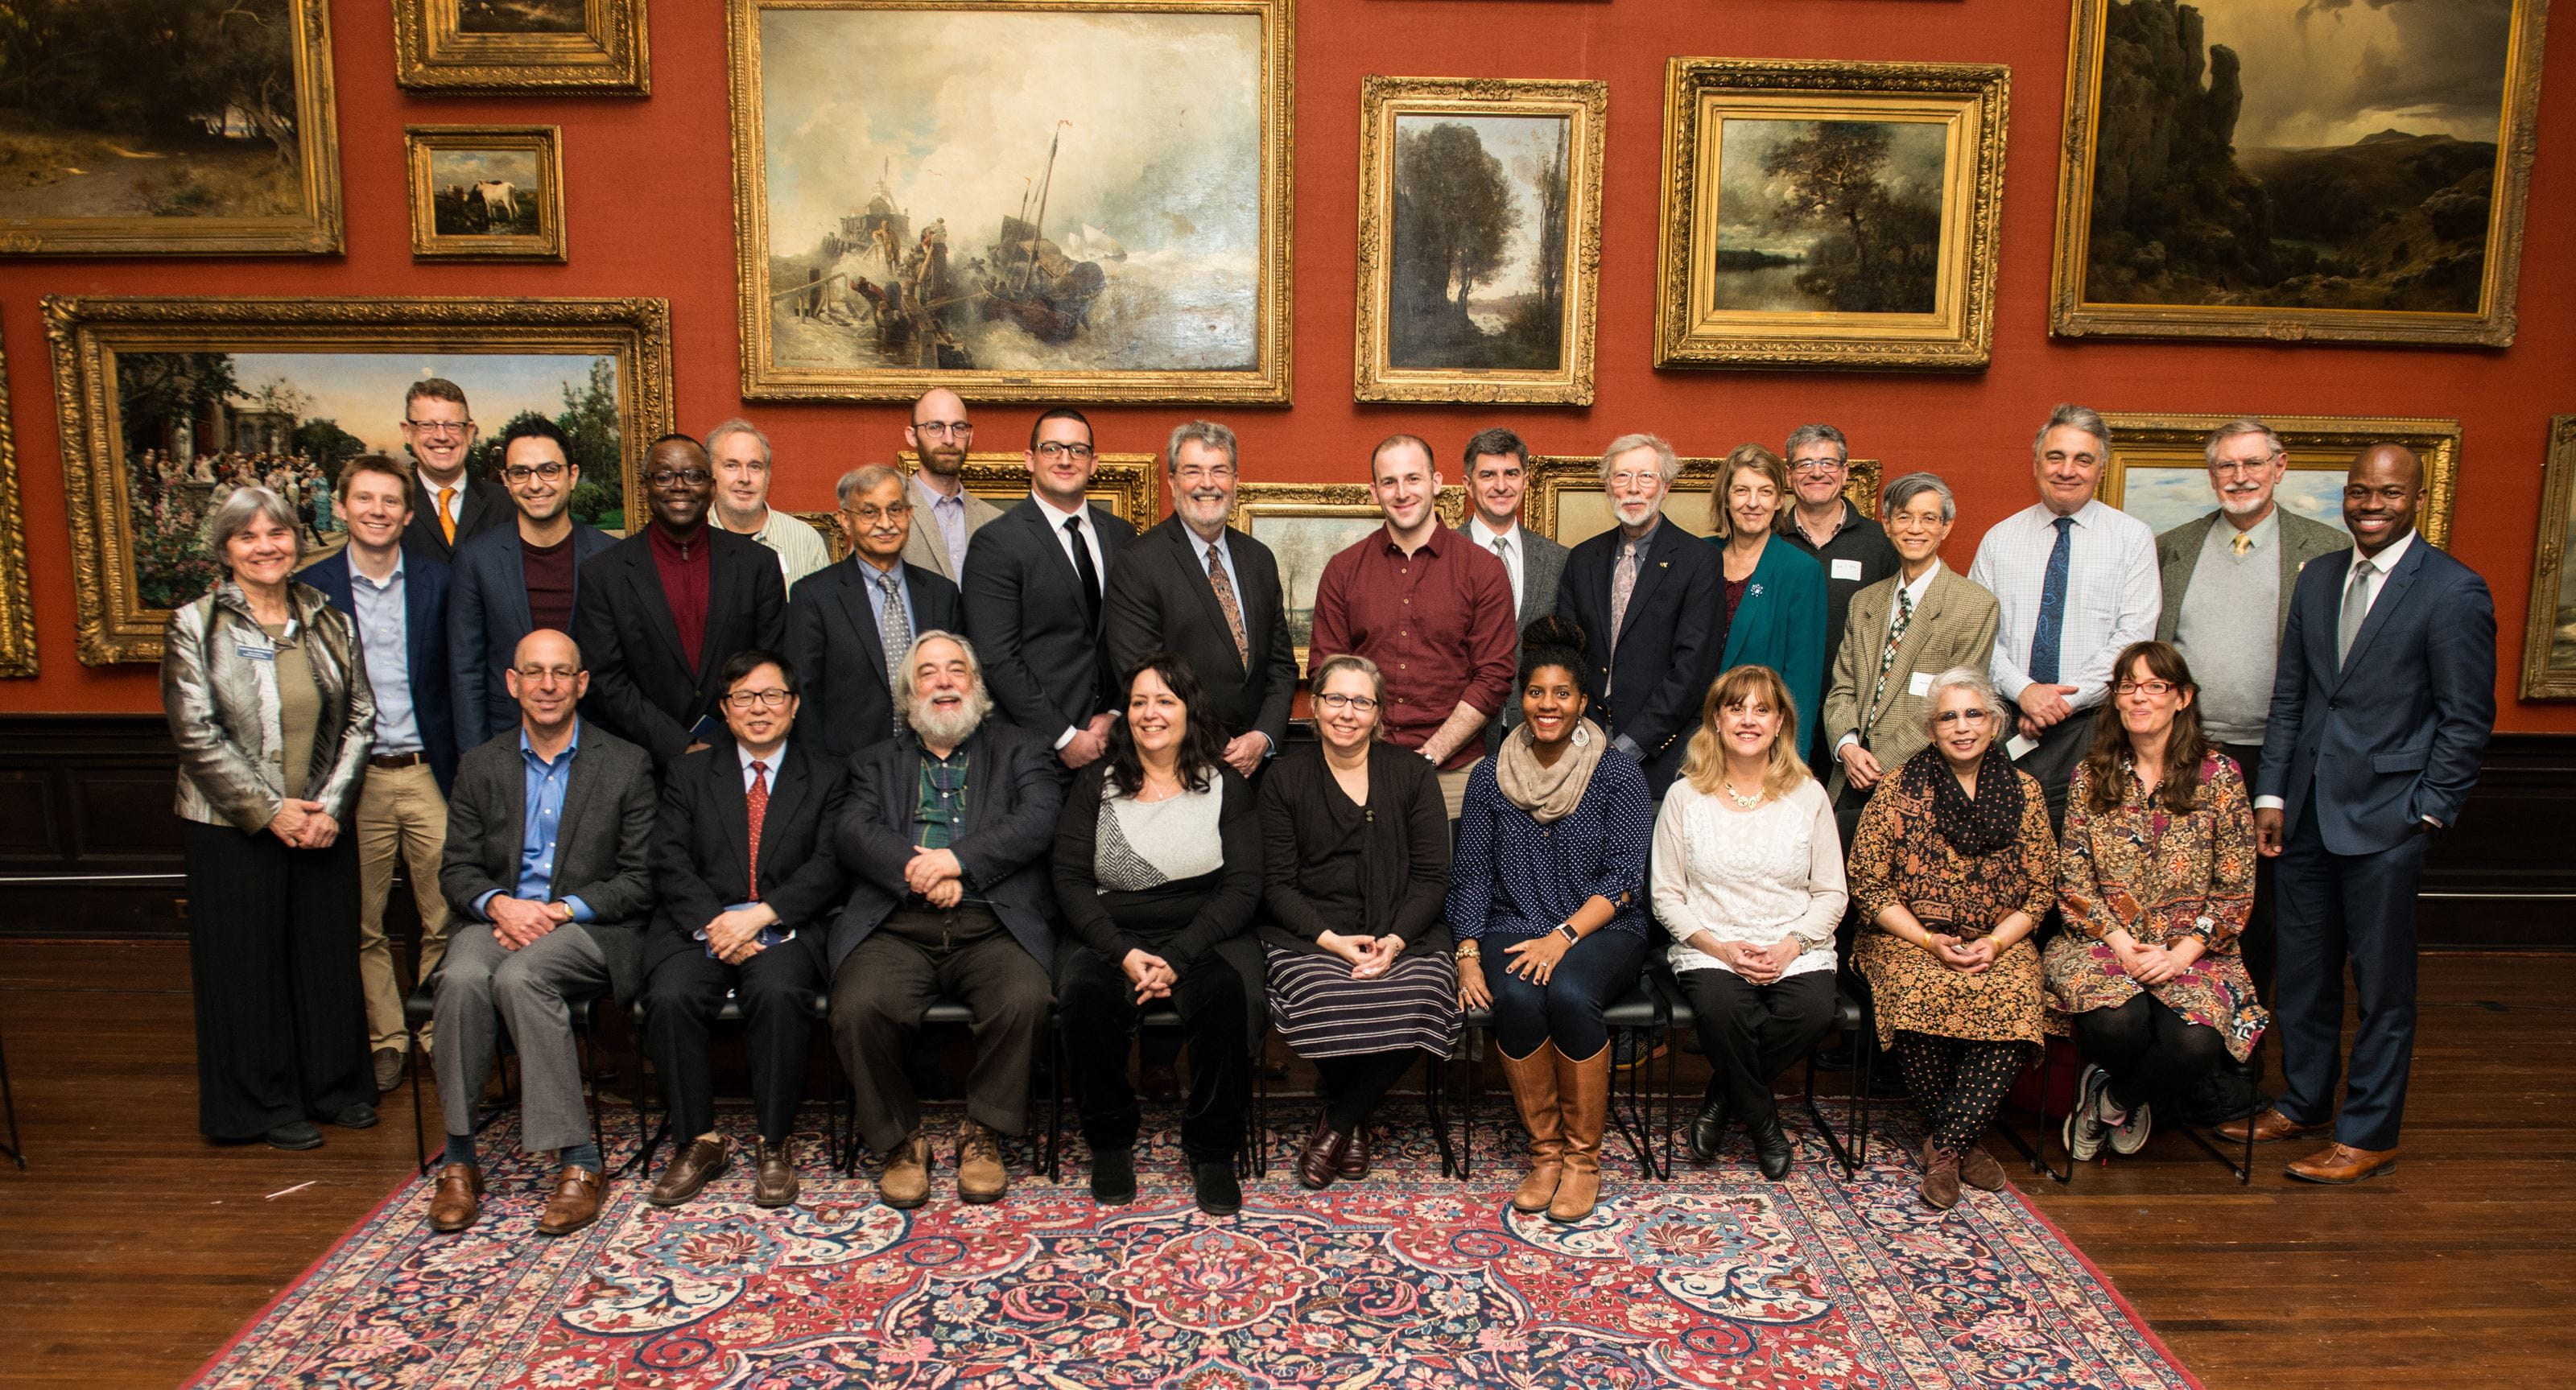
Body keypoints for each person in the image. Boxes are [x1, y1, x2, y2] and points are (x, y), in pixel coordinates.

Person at [2223, 443, 2496, 1185]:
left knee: (2382, 987)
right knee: (2303, 973)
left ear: (2418, 499)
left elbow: (2466, 719)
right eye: (2359, 492)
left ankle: (2369, 1133)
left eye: (2389, 493)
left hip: (2390, 819)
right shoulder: (2318, 577)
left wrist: (2428, 813)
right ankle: (2305, 1101)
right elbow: (2293, 695)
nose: (2371, 505)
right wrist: (2272, 796)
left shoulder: (2453, 590)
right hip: (2305, 814)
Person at [163, 487, 378, 1149]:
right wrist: (269, 809)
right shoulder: (196, 623)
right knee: (247, 966)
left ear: (296, 539)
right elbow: (196, 733)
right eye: (248, 536)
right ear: (226, 548)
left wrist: (329, 806)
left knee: (324, 958)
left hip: (321, 820)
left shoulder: (327, 617)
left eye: (277, 533)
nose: (266, 547)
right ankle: (261, 1103)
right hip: (231, 827)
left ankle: (334, 1088)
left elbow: (362, 717)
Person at [429, 629, 658, 1237]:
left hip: (590, 925)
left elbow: (639, 879)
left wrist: (556, 912)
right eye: (534, 671)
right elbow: (456, 869)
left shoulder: (626, 762)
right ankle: (459, 1159)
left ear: (582, 683)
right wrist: (501, 904)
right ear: (514, 683)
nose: (548, 685)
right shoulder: (481, 764)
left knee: (523, 976)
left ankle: (579, 1161)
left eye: (561, 672)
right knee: (460, 975)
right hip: (499, 918)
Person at [829, 633, 1061, 1209]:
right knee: (858, 1007)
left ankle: (983, 1131)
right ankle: (900, 1141)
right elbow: (854, 831)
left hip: (992, 922)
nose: (943, 682)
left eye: (956, 669)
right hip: (897, 925)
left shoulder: (1023, 749)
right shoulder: (872, 762)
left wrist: (958, 861)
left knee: (1025, 998)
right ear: (909, 693)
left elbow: (1038, 818)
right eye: (928, 672)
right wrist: (921, 870)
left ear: (977, 684)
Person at [1448, 616, 1653, 1223]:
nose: (1548, 704)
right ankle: (1546, 1154)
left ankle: (1583, 1160)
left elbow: (1624, 878)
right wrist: (1466, 955)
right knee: (1516, 993)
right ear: (1521, 699)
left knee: (1568, 991)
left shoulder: (1617, 772)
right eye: (1536, 692)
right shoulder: (1489, 776)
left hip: (1602, 926)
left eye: (1562, 693)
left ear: (1583, 702)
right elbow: (1472, 874)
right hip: (1513, 919)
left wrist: (1562, 937)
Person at [2153, 419, 2349, 1029]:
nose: (2240, 477)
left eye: (2253, 463)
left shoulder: (2326, 550)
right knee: (2180, 892)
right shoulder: (2173, 547)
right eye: (2226, 466)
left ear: (2279, 467)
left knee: (2259, 904)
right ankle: (2183, 1028)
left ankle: (2243, 1036)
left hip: (2278, 753)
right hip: (2187, 748)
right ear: (2211, 474)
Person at [1054, 655, 1264, 1215]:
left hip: (1203, 932)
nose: (1151, 713)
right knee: (1085, 997)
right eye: (1140, 701)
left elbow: (1244, 887)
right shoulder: (1094, 783)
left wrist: (1178, 955)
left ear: (1189, 710)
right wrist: (1122, 952)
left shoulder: (1225, 785)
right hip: (1110, 931)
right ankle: (1110, 1142)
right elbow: (1070, 879)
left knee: (1230, 996)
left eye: (1165, 701)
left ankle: (1213, 1151)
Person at [638, 650, 848, 1209]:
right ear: (726, 710)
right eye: (744, 697)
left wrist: (760, 915)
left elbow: (830, 864)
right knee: (670, 996)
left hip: (785, 923)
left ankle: (773, 1143)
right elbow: (668, 859)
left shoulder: (827, 774)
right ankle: (698, 1141)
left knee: (778, 993)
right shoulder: (689, 773)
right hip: (702, 923)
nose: (759, 708)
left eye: (772, 695)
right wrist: (717, 925)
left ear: (794, 705)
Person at [2047, 641, 2269, 1163]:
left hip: (2194, 948)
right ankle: (2129, 1089)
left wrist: (2179, 955)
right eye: (2128, 686)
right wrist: (2124, 945)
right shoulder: (2090, 775)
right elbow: (2074, 880)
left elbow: (2235, 888)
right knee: (2116, 1025)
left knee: (2195, 1044)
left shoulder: (2220, 776)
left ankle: (2112, 1100)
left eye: (2155, 686)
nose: (2139, 697)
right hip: (2102, 942)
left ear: (2182, 697)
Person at [1847, 667, 2054, 1211]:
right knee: (1916, 992)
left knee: (2017, 999)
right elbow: (1867, 883)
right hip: (1908, 937)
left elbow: (2041, 890)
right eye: (1948, 717)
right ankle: (1962, 1140)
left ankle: (1947, 1143)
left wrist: (1997, 943)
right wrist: (1926, 939)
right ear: (1931, 729)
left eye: (1973, 714)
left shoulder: (2026, 793)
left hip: (1998, 937)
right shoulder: (1897, 789)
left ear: (1995, 723)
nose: (1962, 727)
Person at [1260, 654, 1459, 1188]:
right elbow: (1277, 884)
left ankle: (1341, 1119)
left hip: (1403, 929)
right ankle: (1356, 1116)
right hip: (1313, 934)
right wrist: (1332, 942)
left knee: (1425, 991)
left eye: (1361, 702)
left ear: (1378, 713)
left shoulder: (1413, 774)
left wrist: (1395, 941)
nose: (1347, 713)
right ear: (1314, 705)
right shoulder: (1283, 778)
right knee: (1322, 993)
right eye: (1335, 699)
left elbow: (1432, 876)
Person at [299, 456, 459, 1093]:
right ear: (340, 507)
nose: (377, 511)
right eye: (364, 499)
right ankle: (386, 1038)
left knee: (444, 912)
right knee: (362, 921)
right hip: (352, 779)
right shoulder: (311, 590)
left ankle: (436, 1031)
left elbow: (457, 675)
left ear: (408, 513)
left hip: (427, 770)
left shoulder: (437, 581)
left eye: (390, 500)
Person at [1654, 666, 1845, 1179]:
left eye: (1762, 710)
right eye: (1736, 708)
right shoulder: (1683, 797)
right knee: (1722, 1012)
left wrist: (1791, 946)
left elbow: (1832, 892)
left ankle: (1722, 1099)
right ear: (1716, 720)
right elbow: (1666, 896)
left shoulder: (1808, 795)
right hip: (1712, 943)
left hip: (1793, 942)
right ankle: (1764, 1125)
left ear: (1780, 723)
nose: (1748, 720)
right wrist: (1719, 949)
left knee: (1811, 1013)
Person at [1968, 405, 2161, 828]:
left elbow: (2133, 636)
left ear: (2101, 469)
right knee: (2000, 847)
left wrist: (2061, 703)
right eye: (2055, 457)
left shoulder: (2132, 539)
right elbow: (1978, 635)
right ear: (2036, 463)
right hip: (2007, 724)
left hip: (2095, 729)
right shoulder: (1999, 539)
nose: (2067, 470)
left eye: (2082, 459)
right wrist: (2025, 691)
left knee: (2089, 849)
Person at [1309, 435, 1517, 818]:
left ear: (1436, 483)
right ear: (1375, 492)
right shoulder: (1344, 569)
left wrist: (1431, 754)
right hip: (1360, 766)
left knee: (1451, 860)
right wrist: (1365, 752)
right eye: (1389, 482)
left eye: (1413, 479)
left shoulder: (1483, 570)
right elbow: (1327, 672)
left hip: (1454, 772)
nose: (1402, 492)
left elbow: (1494, 676)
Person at [576, 434, 788, 769]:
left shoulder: (757, 565)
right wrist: (678, 745)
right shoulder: (603, 573)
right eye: (664, 476)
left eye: (693, 475)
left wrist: (720, 740)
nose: (679, 486)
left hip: (739, 754)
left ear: (712, 487)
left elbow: (770, 663)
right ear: (645, 488)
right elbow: (606, 680)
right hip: (642, 762)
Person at [1104, 420, 1299, 779]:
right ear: (1172, 482)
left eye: (1219, 471)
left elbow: (1281, 665)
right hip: (1180, 767)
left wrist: (1263, 736)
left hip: (1259, 767)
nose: (1207, 483)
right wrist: (1223, 747)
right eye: (1193, 471)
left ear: (1235, 482)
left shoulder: (1259, 559)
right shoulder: (1138, 563)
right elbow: (1145, 678)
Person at [960, 407, 1137, 771]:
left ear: (1093, 463)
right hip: (1035, 752)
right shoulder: (996, 543)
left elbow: (1132, 636)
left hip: (1115, 744)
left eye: (1078, 450)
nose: (1065, 459)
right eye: (1051, 448)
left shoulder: (1120, 535)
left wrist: (1117, 712)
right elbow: (996, 657)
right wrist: (1064, 737)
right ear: (1030, 459)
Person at [1554, 433, 1724, 793]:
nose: (1633, 488)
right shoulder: (1582, 559)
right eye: (1622, 476)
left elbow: (1693, 670)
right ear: (1607, 487)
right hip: (1581, 748)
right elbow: (1566, 657)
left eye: (1646, 476)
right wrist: (1579, 735)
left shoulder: (1698, 561)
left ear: (1666, 487)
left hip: (1662, 756)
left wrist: (1628, 747)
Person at [1823, 473, 2002, 815]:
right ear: (1887, 525)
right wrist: (1847, 748)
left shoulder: (1975, 606)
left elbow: (1956, 707)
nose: (1915, 529)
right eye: (1904, 517)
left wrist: (1879, 763)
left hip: (1924, 781)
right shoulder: (1865, 602)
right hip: (1850, 775)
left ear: (1946, 527)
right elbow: (1842, 687)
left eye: (1929, 518)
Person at [448, 417, 617, 754]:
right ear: (506, 481)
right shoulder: (477, 559)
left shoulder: (610, 556)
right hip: (505, 741)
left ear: (572, 475)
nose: (535, 484)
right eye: (521, 472)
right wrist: (476, 762)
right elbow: (466, 672)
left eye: (548, 470)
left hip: (597, 744)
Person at [783, 464, 963, 762]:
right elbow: (805, 692)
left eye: (895, 510)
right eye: (869, 512)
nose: (885, 523)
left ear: (909, 514)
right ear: (844, 520)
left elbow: (961, 683)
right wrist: (818, 772)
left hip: (933, 761)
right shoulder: (814, 596)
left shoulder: (942, 593)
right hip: (846, 767)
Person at [1777, 424, 1901, 766]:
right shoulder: (1769, 540)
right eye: (1805, 464)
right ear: (1789, 475)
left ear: (1845, 473)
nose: (1817, 472)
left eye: (1828, 463)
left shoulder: (1882, 544)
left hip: (1857, 712)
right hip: (1780, 707)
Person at [1711, 443, 1828, 748]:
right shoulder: (1699, 556)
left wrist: (1791, 759)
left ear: (1779, 501)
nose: (1753, 503)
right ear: (1726, 497)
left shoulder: (1801, 570)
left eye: (1765, 492)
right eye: (1741, 491)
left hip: (1757, 741)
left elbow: (1802, 682)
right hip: (1692, 736)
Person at [1459, 427, 1568, 736]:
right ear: (1468, 484)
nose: (1501, 486)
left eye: (1511, 473)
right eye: (1488, 475)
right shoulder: (1441, 556)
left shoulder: (1559, 560)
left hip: (1538, 731)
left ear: (1525, 480)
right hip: (1462, 730)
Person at [706, 418, 832, 594]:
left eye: (755, 466)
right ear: (710, 473)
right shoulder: (692, 538)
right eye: (732, 465)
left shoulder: (806, 540)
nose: (745, 478)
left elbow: (824, 609)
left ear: (768, 475)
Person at [398, 377, 509, 562]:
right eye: (427, 425)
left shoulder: (504, 504)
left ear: (469, 432)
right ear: (408, 432)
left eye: (453, 426)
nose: (441, 436)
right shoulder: (388, 503)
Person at [900, 388, 1004, 583]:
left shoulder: (997, 522)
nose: (949, 439)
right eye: (935, 427)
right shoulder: (887, 515)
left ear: (969, 437)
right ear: (912, 436)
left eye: (958, 428)